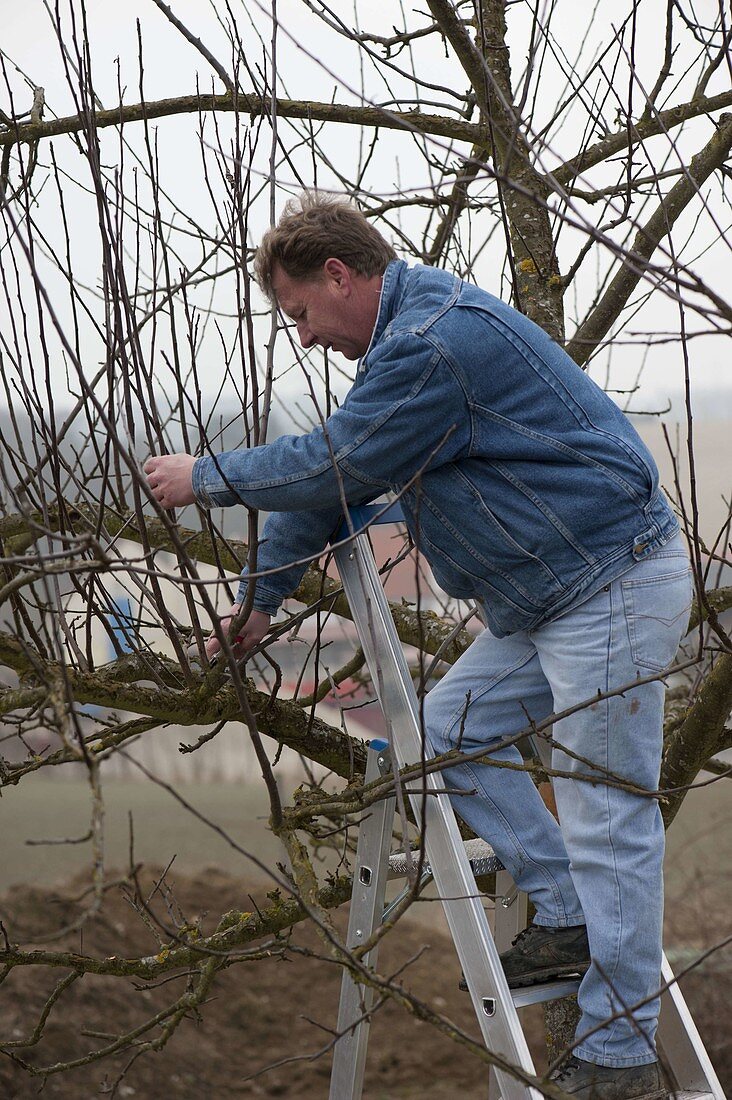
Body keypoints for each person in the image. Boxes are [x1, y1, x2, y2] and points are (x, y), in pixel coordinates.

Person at [143, 192, 692, 1099]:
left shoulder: (434, 342)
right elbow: (336, 488)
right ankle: (563, 912)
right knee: (445, 730)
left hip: (611, 583)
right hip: (546, 598)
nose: (305, 336)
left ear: (339, 274)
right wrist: (262, 603)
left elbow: (333, 464)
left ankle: (622, 1057)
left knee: (609, 817)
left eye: (300, 313)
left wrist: (205, 478)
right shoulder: (406, 353)